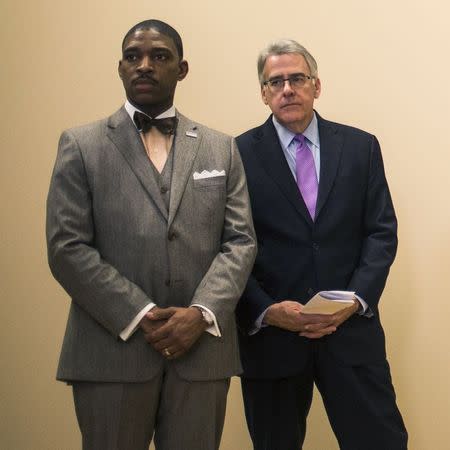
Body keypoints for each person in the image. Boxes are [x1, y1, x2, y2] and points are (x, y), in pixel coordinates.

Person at [46, 19, 256, 450]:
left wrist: (200, 313)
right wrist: (141, 314)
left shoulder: (221, 147)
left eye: (159, 56)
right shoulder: (81, 145)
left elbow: (240, 241)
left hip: (201, 354)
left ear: (181, 69)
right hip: (110, 352)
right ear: (120, 68)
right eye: (132, 57)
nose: (144, 65)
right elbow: (67, 247)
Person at [236, 39, 408, 450]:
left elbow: (381, 231)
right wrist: (265, 310)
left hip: (351, 334)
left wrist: (356, 300)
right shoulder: (236, 155)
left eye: (297, 78)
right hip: (274, 341)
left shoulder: (360, 147)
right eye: (275, 82)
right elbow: (229, 245)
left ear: (317, 85)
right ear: (263, 93)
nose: (287, 89)